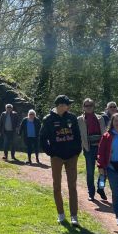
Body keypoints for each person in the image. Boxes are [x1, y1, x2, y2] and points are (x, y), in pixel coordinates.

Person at [40, 95, 83, 225]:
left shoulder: (72, 117)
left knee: (72, 186)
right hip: (57, 157)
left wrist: (77, 151)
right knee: (57, 186)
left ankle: (74, 216)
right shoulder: (48, 119)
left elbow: (77, 135)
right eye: (66, 104)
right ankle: (61, 214)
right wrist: (51, 152)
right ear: (60, 105)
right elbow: (42, 138)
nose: (68, 106)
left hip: (71, 156)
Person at [78, 98, 108, 201]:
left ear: (93, 106)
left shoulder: (100, 118)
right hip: (89, 149)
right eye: (86, 105)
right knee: (90, 172)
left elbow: (105, 133)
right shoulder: (80, 120)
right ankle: (91, 193)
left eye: (90, 105)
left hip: (101, 149)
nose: (89, 107)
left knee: (103, 171)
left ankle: (100, 187)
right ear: (83, 107)